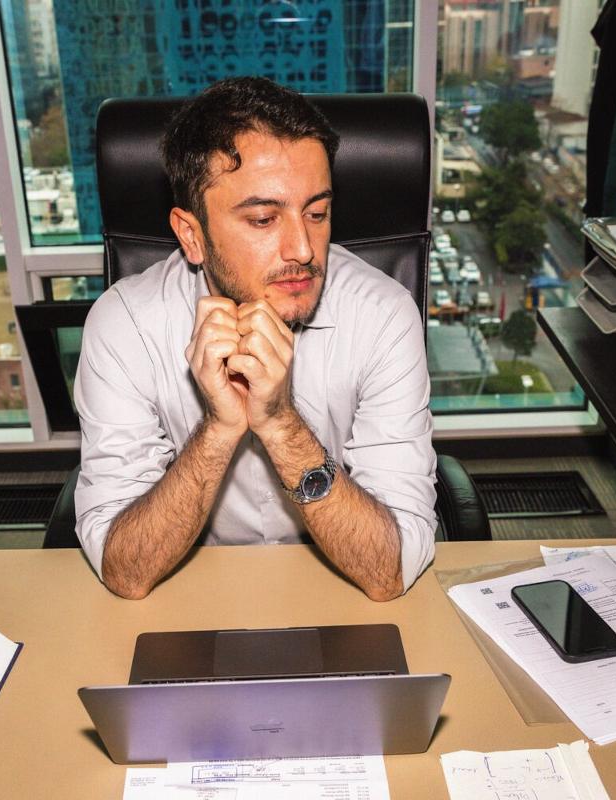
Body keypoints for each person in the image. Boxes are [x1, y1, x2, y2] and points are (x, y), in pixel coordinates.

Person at [74, 77, 436, 601]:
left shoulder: (383, 315)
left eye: (317, 213)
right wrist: (220, 428)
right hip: (191, 585)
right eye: (264, 218)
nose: (304, 249)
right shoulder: (124, 324)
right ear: (191, 235)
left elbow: (389, 571)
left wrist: (280, 423)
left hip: (343, 584)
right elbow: (125, 571)